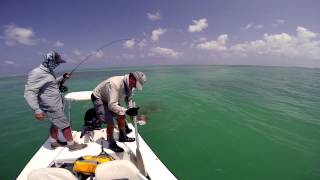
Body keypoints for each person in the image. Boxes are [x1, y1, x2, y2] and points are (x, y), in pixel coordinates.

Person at [24, 51, 87, 151]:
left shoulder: (48, 71)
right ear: (50, 61)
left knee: (56, 124)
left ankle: (54, 142)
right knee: (66, 125)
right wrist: (37, 110)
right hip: (51, 106)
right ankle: (72, 145)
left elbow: (51, 83)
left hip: (56, 104)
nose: (58, 64)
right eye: (57, 62)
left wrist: (63, 77)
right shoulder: (37, 73)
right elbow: (29, 92)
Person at [91, 71, 146, 152]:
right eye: (134, 84)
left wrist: (130, 109)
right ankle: (111, 143)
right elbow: (111, 105)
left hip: (112, 98)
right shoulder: (115, 83)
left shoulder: (131, 86)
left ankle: (122, 136)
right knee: (111, 121)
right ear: (131, 78)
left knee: (121, 114)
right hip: (99, 97)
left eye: (136, 86)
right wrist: (127, 111)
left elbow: (128, 99)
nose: (134, 87)